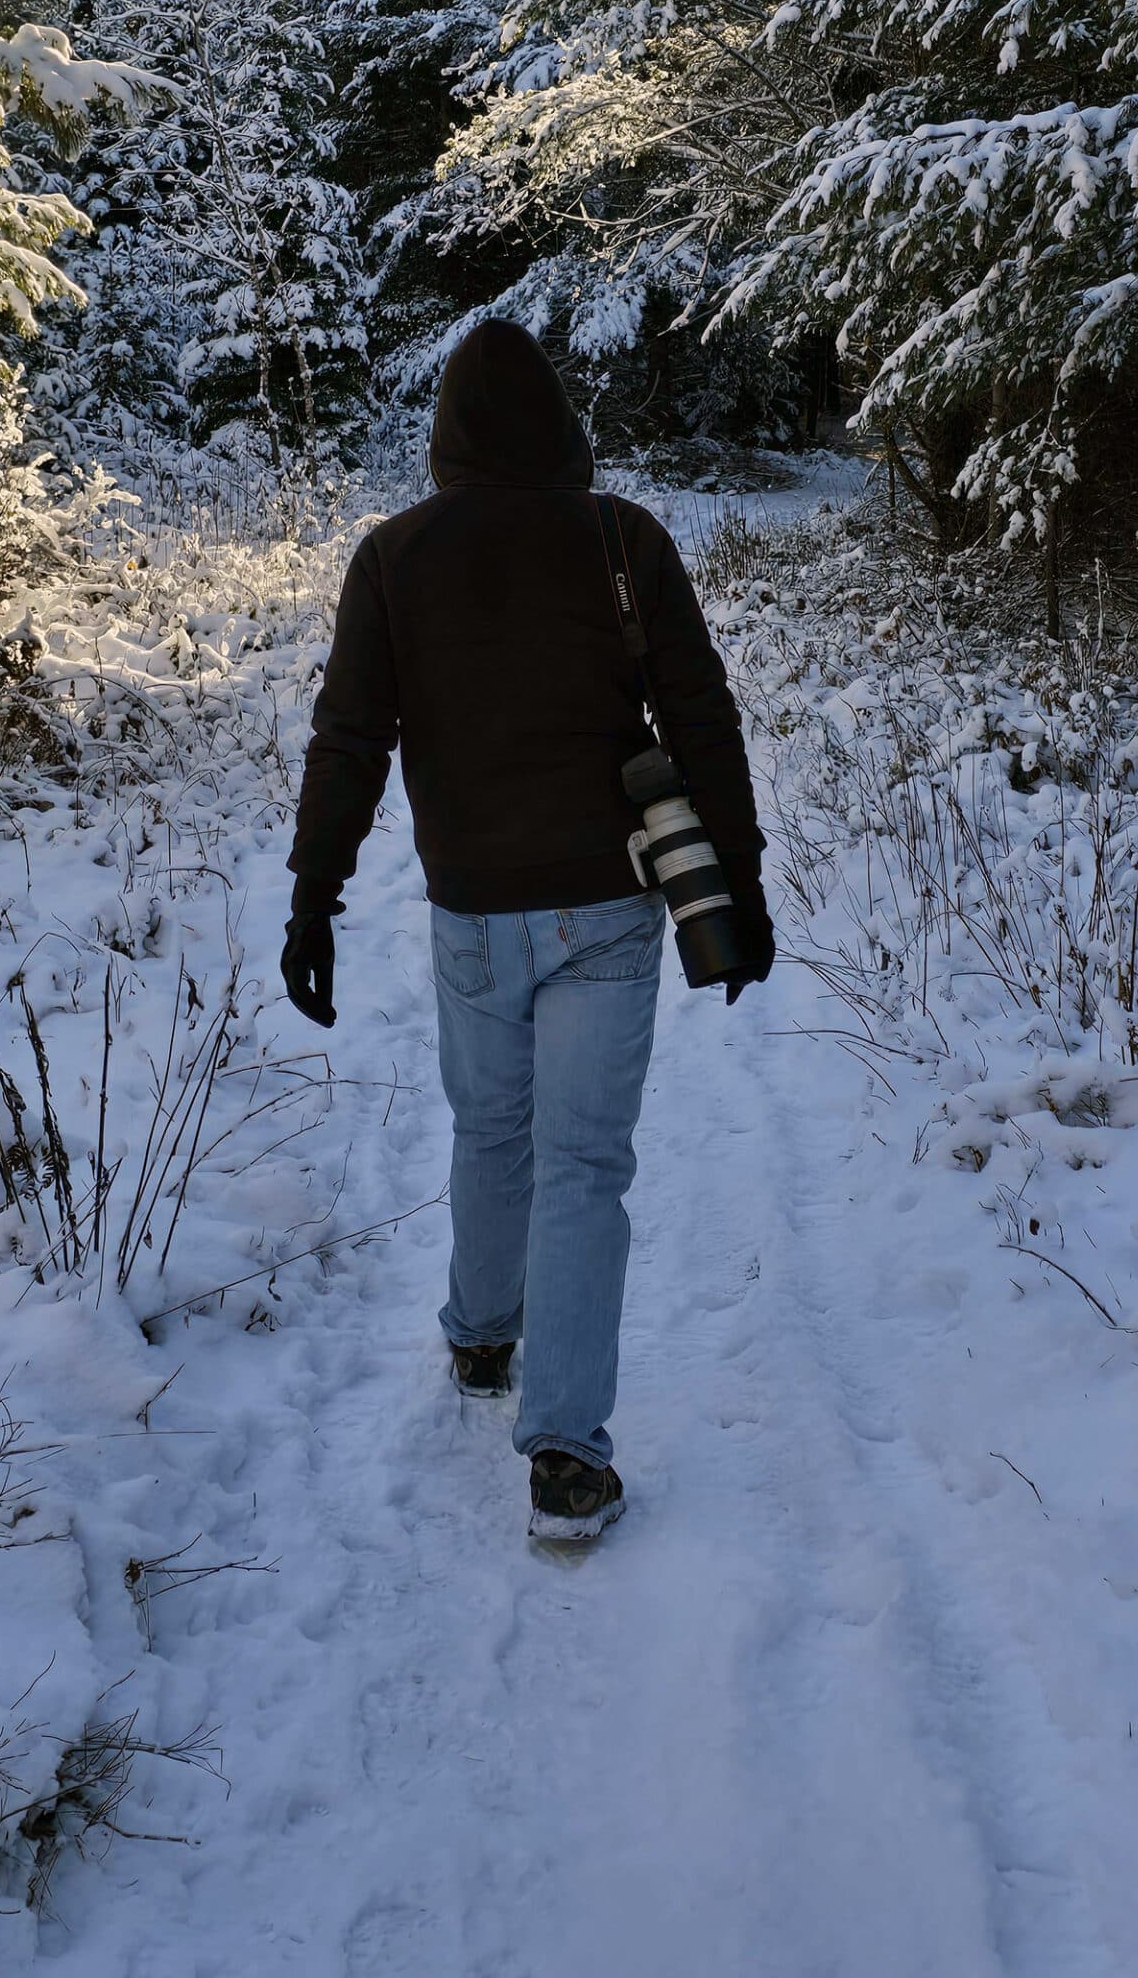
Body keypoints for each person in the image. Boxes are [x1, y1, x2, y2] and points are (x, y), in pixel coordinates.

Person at [281, 320, 772, 1540]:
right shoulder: (622, 537)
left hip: (473, 915)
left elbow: (352, 738)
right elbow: (701, 720)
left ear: (444, 440)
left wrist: (314, 895)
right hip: (608, 905)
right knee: (584, 1163)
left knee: (492, 1127)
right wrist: (741, 883)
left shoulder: (392, 557)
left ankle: (480, 1335)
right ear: (561, 427)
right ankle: (563, 1453)